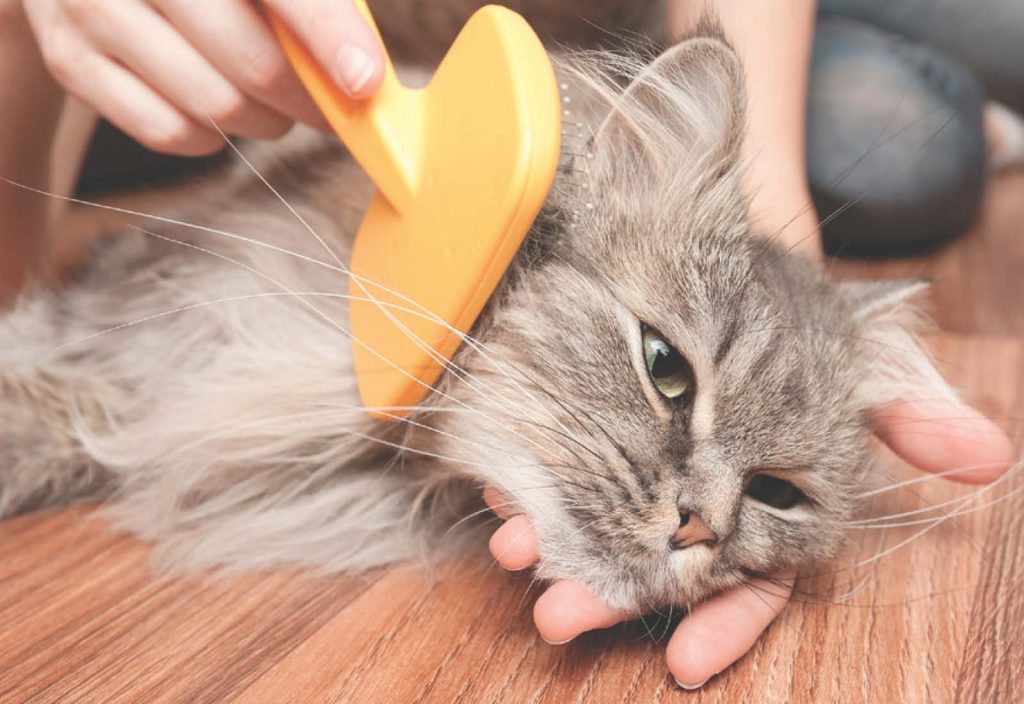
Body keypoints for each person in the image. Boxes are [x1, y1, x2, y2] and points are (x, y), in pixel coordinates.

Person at [0, 0, 1015, 689]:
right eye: (666, 370)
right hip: (407, 69)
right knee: (901, 135)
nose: (699, 519)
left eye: (775, 492)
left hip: (623, 20)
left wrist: (766, 187)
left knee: (904, 137)